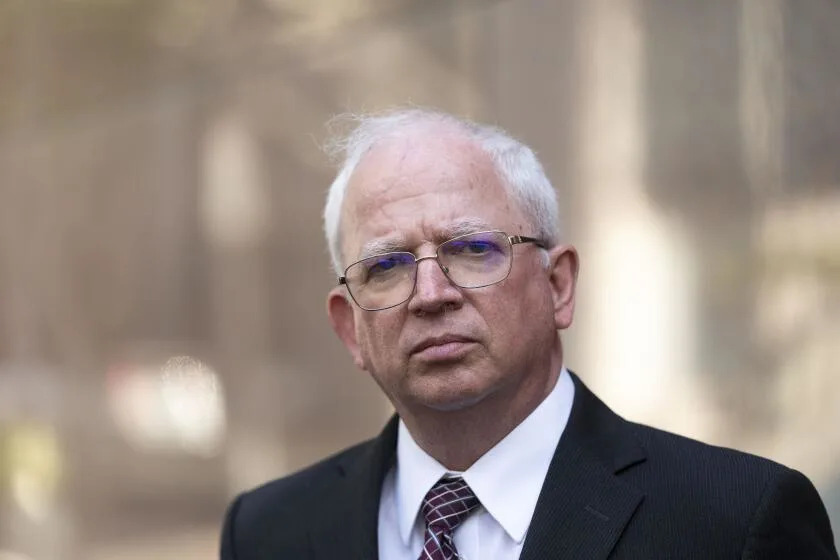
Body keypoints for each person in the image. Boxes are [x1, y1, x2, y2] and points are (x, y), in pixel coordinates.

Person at [220, 108, 838, 559]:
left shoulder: (734, 524)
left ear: (559, 286)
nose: (432, 294)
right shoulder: (268, 532)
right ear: (350, 327)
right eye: (386, 266)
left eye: (472, 249)